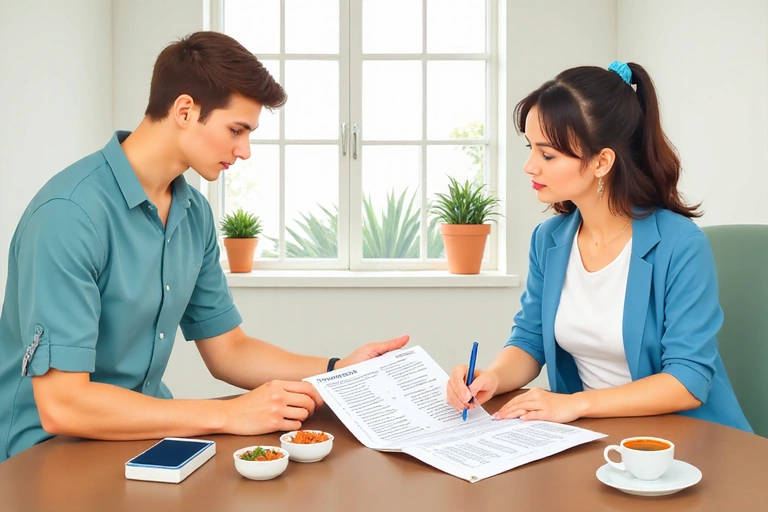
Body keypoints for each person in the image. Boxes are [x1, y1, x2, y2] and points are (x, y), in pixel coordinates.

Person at [0, 31, 409, 463]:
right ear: (184, 110)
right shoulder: (69, 215)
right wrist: (229, 413)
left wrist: (335, 371)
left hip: (144, 442)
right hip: (47, 459)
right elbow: (64, 406)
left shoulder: (192, 212)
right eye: (237, 130)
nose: (245, 150)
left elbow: (229, 350)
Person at [446, 61, 751, 432]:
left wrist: (575, 405)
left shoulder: (681, 245)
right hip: (596, 438)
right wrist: (491, 378)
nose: (529, 166)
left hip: (684, 441)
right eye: (530, 148)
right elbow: (529, 342)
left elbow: (687, 381)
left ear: (602, 162)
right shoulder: (549, 240)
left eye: (547, 154)